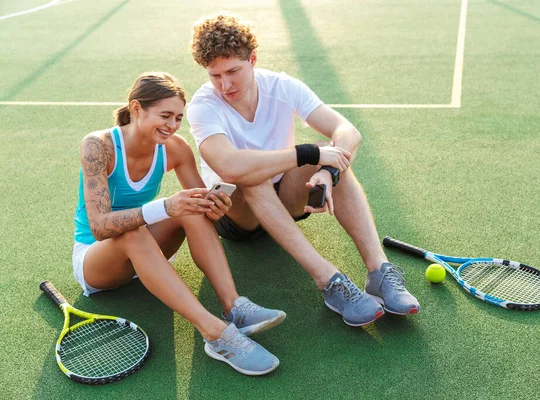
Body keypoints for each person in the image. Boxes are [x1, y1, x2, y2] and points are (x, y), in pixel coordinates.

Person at [187, 15, 420, 328]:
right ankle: (329, 281)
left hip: (284, 198)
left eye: (233, 71)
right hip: (233, 213)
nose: (225, 84)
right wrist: (308, 153)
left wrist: (327, 171)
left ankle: (379, 270)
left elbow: (346, 130)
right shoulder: (204, 105)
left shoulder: (281, 86)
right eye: (215, 75)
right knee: (250, 174)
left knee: (335, 156)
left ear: (252, 60)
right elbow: (228, 166)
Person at [72, 71, 283, 375]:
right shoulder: (99, 146)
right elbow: (100, 227)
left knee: (191, 208)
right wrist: (167, 206)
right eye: (165, 116)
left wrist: (215, 205)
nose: (172, 126)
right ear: (136, 109)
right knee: (136, 232)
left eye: (178, 118)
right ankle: (215, 333)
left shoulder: (175, 148)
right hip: (97, 259)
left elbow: (200, 209)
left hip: (148, 255)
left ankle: (234, 305)